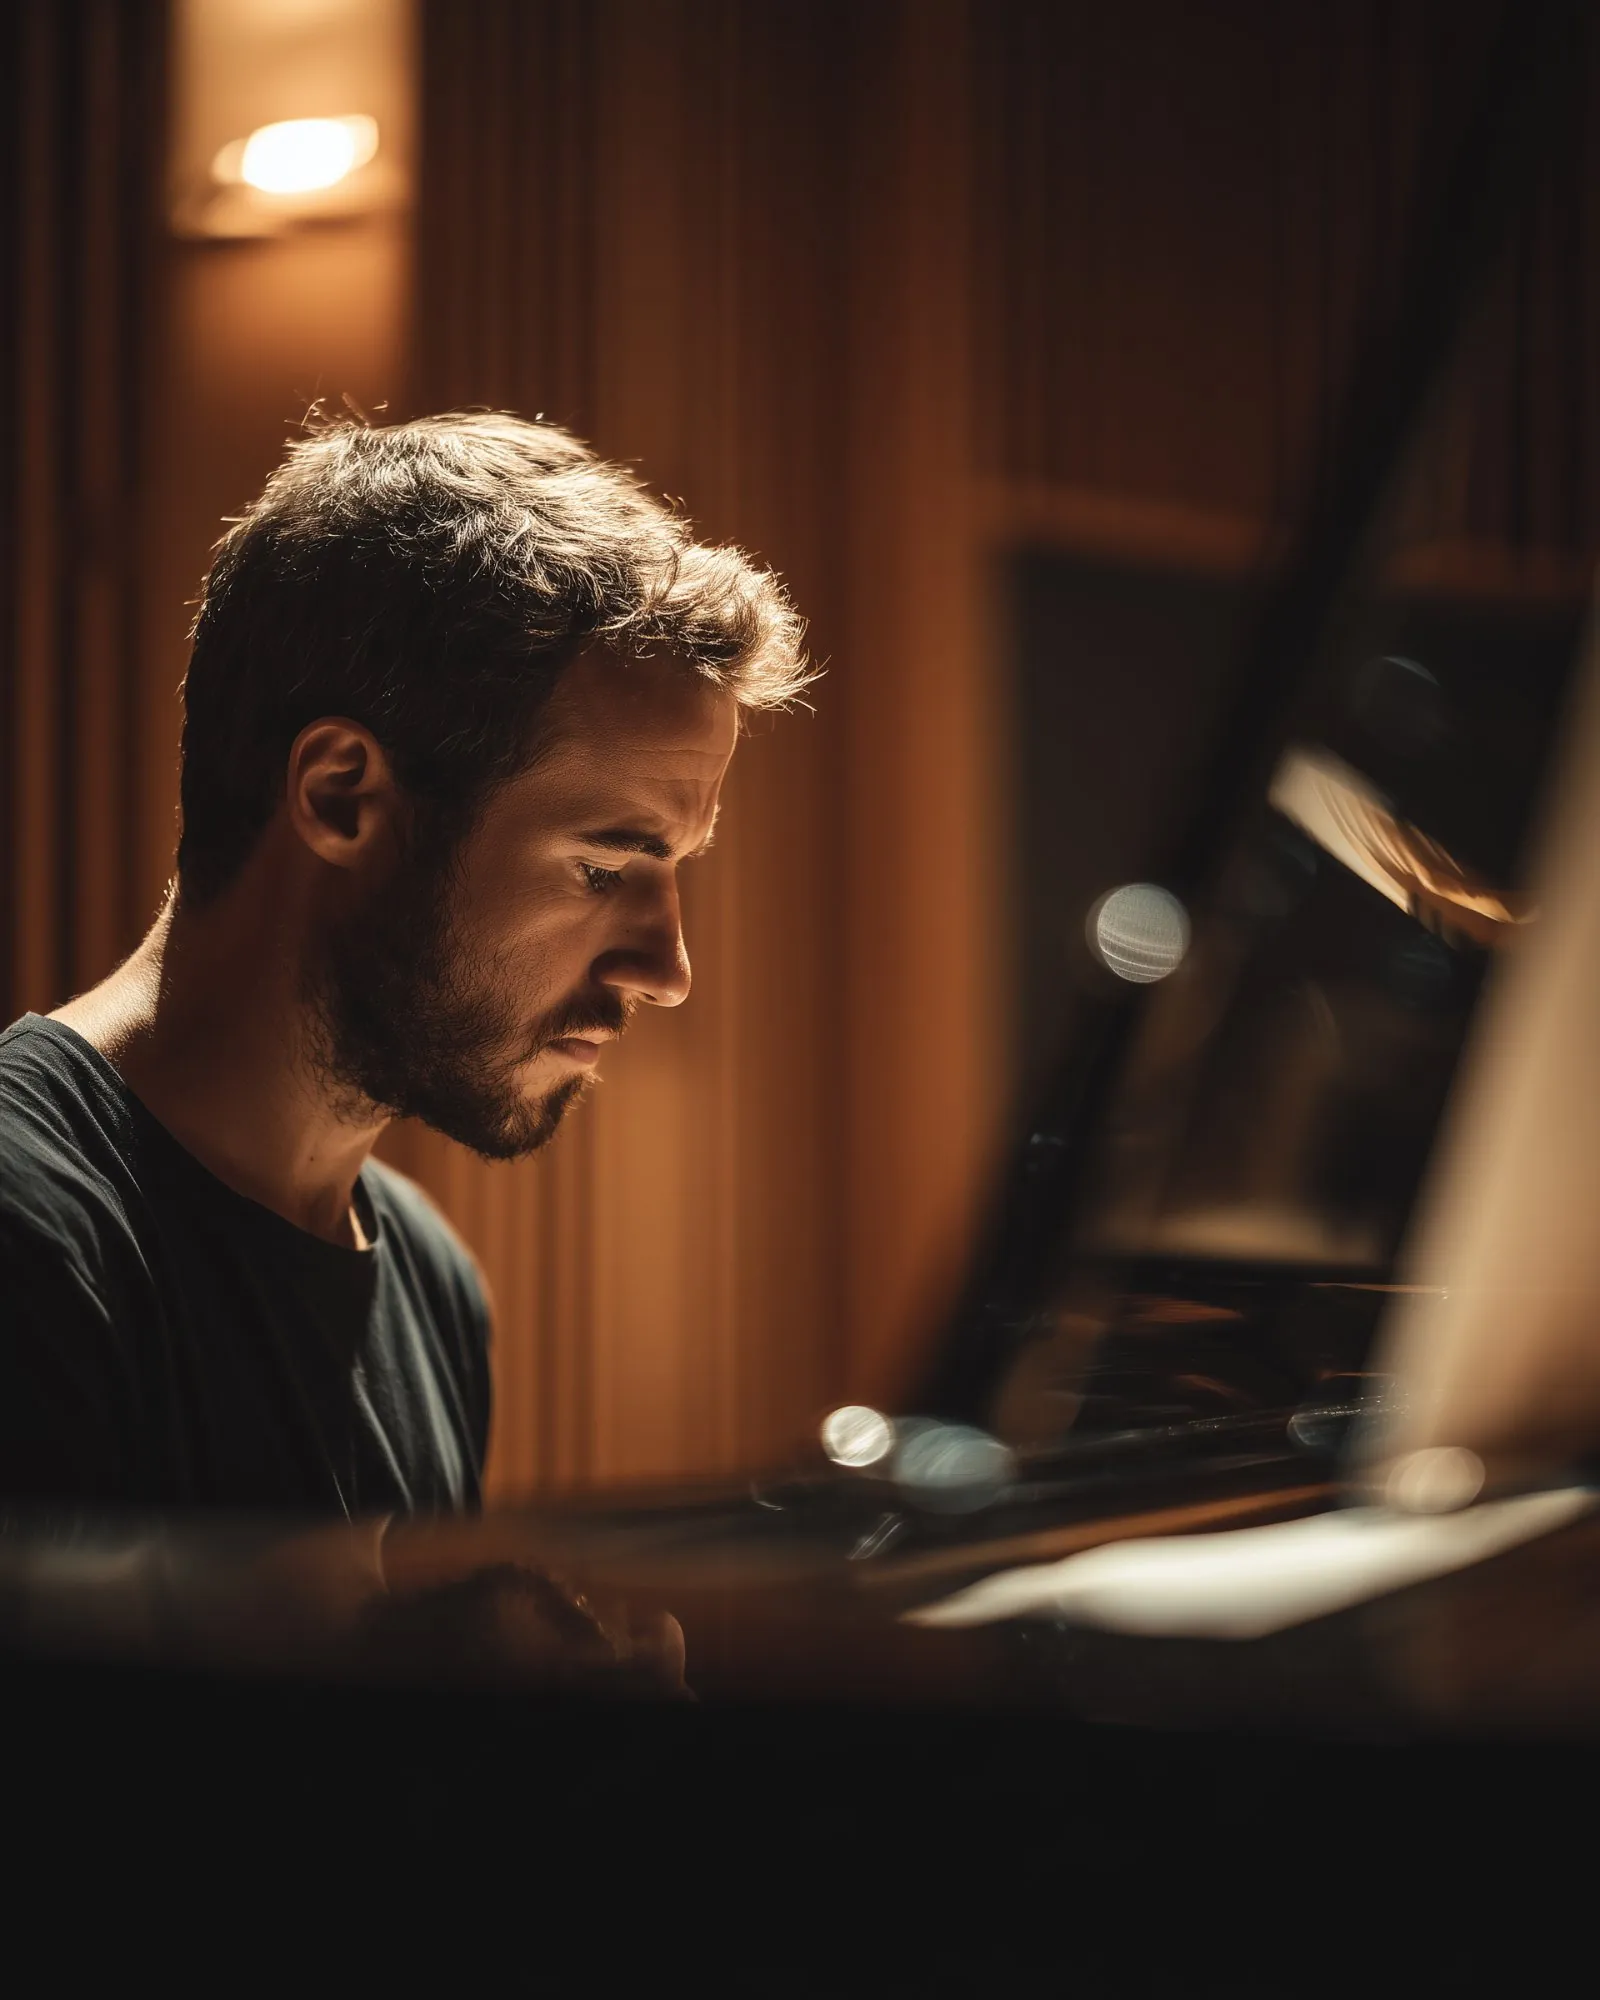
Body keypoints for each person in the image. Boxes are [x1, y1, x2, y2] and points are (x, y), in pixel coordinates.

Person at [0, 412, 809, 1515]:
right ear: (343, 794)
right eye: (600, 868)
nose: (668, 969)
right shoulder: (27, 1228)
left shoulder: (432, 1282)